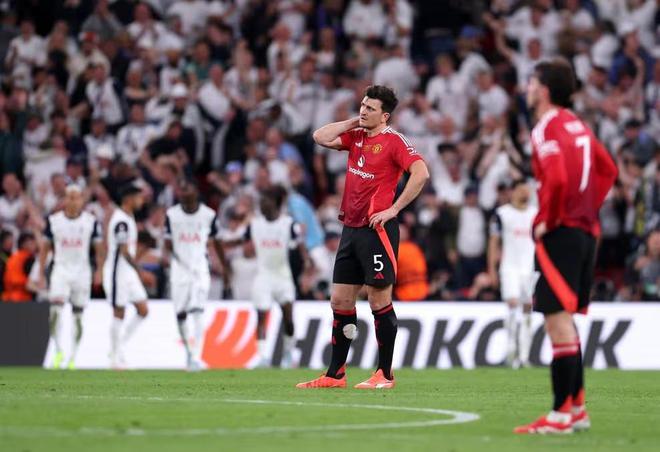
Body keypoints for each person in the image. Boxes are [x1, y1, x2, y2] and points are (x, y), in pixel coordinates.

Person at [297, 85, 429, 389]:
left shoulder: (394, 141)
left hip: (376, 230)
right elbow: (319, 136)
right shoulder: (356, 136)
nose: (363, 111)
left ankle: (385, 374)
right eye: (362, 105)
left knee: (378, 298)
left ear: (385, 116)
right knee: (340, 300)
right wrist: (353, 122)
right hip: (351, 228)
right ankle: (335, 374)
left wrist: (394, 209)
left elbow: (421, 173)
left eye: (370, 108)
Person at [514, 59, 617, 434]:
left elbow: (556, 179)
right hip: (586, 231)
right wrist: (586, 209)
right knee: (567, 323)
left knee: (557, 322)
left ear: (543, 90)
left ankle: (559, 416)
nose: (527, 88)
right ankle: (576, 410)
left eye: (531, 82)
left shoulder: (546, 126)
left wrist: (550, 219)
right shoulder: (578, 124)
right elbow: (608, 170)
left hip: (562, 233)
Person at [228, 186, 310, 368]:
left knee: (288, 318)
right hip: (263, 276)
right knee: (261, 315)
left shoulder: (288, 224)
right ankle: (263, 357)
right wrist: (220, 244)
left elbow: (301, 249)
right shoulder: (254, 225)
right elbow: (241, 242)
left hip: (283, 276)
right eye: (261, 202)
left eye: (266, 201)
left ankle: (288, 354)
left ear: (276, 203)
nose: (262, 205)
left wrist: (306, 270)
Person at [164, 181, 228, 371]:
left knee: (198, 310)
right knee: (180, 314)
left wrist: (225, 267)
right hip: (179, 270)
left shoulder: (208, 215)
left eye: (187, 188)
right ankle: (189, 353)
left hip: (200, 268)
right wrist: (170, 257)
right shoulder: (172, 215)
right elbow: (167, 243)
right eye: (181, 189)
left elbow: (217, 242)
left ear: (196, 191)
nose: (183, 191)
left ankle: (196, 356)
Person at [38, 184, 104, 369]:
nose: (73, 201)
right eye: (70, 197)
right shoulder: (54, 221)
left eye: (77, 197)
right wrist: (41, 273)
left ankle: (73, 356)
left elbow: (99, 249)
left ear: (82, 200)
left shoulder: (91, 222)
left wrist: (99, 270)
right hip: (61, 270)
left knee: (78, 316)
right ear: (64, 199)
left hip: (82, 272)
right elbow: (45, 249)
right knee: (55, 312)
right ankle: (58, 350)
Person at [488, 179, 537, 368]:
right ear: (513, 191)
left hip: (529, 269)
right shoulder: (502, 214)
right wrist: (492, 269)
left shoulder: (535, 214)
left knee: (528, 309)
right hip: (509, 268)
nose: (526, 193)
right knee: (512, 305)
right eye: (522, 189)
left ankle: (524, 356)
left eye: (528, 189)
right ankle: (510, 351)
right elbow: (493, 242)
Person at [103, 183, 150, 369]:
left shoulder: (129, 217)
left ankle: (119, 345)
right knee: (119, 312)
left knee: (143, 310)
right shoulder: (121, 221)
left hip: (127, 272)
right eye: (139, 197)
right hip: (117, 272)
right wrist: (140, 270)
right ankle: (114, 358)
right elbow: (123, 251)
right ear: (128, 198)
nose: (141, 201)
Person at [1, 232, 37, 303]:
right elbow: (29, 283)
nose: (35, 246)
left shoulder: (13, 257)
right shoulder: (27, 258)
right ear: (24, 244)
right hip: (22, 298)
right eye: (32, 243)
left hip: (7, 297)